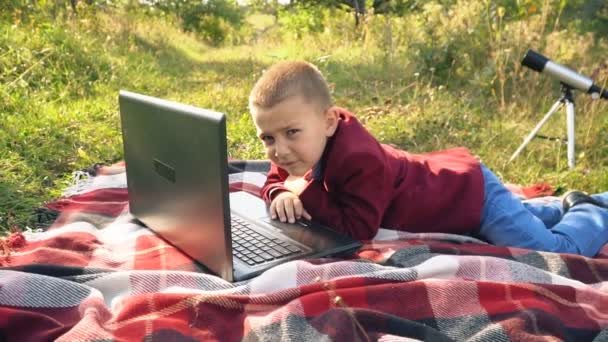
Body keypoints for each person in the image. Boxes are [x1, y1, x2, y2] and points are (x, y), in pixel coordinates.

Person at [248, 60, 608, 257]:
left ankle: (593, 209)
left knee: (553, 250)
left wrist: (302, 191)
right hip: (451, 196)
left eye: (291, 133)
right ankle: (560, 206)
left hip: (470, 196)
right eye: (267, 137)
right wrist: (280, 192)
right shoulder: (298, 149)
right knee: (531, 218)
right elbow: (276, 177)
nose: (279, 150)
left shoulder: (360, 159)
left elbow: (358, 230)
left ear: (328, 122)